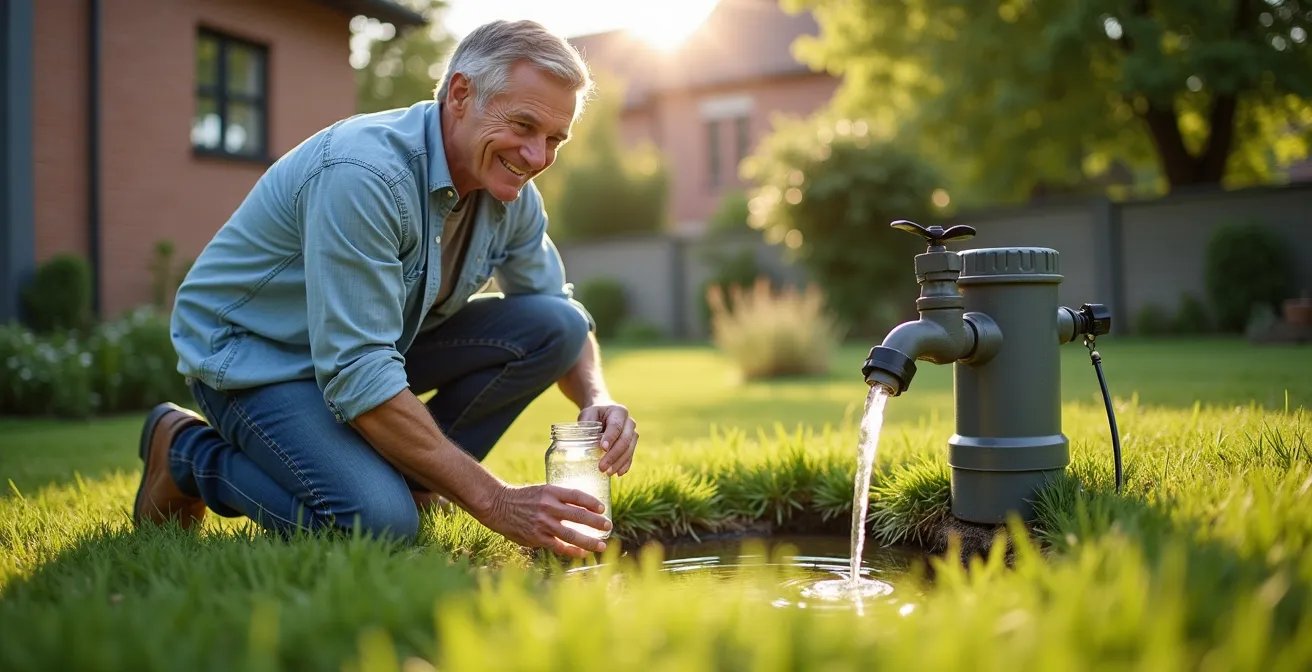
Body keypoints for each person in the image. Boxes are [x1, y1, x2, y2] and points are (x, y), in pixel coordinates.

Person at [131, 20, 638, 559]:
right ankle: (186, 454)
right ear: (461, 94)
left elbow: (560, 310)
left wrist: (596, 397)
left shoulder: (508, 192)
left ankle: (415, 482)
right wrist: (495, 501)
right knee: (379, 526)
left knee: (553, 326)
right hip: (256, 357)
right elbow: (358, 373)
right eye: (523, 125)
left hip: (370, 351)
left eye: (554, 139)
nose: (537, 158)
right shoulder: (365, 174)